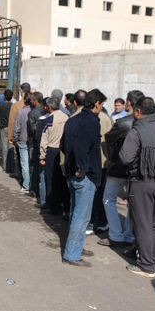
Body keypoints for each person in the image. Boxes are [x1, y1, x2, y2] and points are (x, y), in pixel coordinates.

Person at [119, 98, 155, 278]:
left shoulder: (137, 130)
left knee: (142, 224)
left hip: (142, 181)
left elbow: (125, 157)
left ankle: (146, 265)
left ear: (139, 111)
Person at [60, 89, 108, 267]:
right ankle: (72, 254)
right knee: (82, 217)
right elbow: (80, 145)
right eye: (101, 104)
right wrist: (82, 168)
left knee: (76, 213)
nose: (102, 108)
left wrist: (74, 166)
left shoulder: (73, 119)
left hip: (73, 173)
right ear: (96, 103)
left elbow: (64, 145)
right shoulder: (91, 122)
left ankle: (76, 247)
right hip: (84, 176)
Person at [100, 90, 144, 247]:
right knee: (133, 202)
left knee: (108, 199)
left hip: (120, 166)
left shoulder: (123, 122)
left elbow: (109, 138)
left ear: (130, 103)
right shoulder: (148, 123)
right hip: (138, 169)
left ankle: (116, 235)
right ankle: (129, 235)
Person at [40, 96, 69, 214]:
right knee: (63, 179)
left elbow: (44, 141)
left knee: (52, 179)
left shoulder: (48, 121)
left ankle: (54, 206)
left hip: (52, 151)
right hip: (64, 151)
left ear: (49, 107)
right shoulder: (67, 117)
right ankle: (65, 206)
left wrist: (42, 156)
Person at [13, 93, 33, 192]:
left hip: (23, 140)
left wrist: (15, 139)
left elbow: (16, 128)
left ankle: (26, 186)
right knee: (32, 164)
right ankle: (33, 186)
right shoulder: (37, 111)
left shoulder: (21, 112)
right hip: (33, 141)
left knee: (25, 164)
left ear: (24, 101)